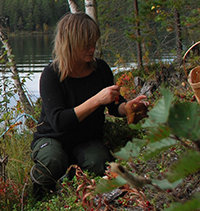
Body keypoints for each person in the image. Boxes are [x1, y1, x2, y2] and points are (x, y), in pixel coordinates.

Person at [30, 12, 148, 198]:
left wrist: (127, 108)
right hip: (52, 138)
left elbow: (114, 106)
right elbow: (59, 122)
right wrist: (97, 100)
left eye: (94, 42)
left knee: (98, 163)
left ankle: (79, 195)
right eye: (86, 44)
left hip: (87, 138)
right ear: (70, 44)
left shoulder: (101, 69)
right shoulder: (52, 74)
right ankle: (39, 201)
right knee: (51, 161)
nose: (92, 48)